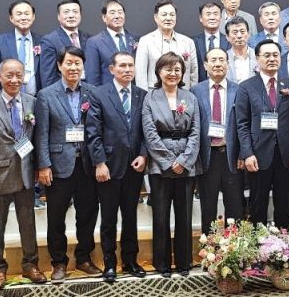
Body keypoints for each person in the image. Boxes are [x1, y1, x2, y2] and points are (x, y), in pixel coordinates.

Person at [0, 59, 47, 289]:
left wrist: (38, 167)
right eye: (9, 75)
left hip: (25, 173)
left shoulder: (32, 102)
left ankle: (31, 265)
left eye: (18, 75)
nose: (14, 80)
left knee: (28, 224)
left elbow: (37, 137)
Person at [35, 46, 102, 281]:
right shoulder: (46, 95)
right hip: (58, 165)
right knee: (56, 217)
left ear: (83, 66)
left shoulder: (93, 93)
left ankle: (84, 258)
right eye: (69, 63)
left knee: (88, 214)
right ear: (59, 66)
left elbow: (98, 129)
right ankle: (58, 262)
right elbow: (41, 134)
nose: (73, 67)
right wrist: (43, 165)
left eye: (77, 63)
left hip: (87, 165)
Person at [85, 52, 150, 282]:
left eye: (131, 65)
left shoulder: (142, 95)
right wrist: (99, 163)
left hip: (134, 166)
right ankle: (110, 263)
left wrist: (144, 155)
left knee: (130, 217)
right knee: (109, 218)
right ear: (112, 69)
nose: (127, 69)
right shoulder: (99, 94)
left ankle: (130, 260)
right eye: (122, 65)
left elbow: (147, 130)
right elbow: (93, 132)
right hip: (109, 167)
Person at [141, 52, 202, 278]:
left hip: (186, 165)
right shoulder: (150, 98)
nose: (173, 73)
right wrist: (168, 161)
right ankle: (163, 263)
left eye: (177, 69)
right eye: (168, 69)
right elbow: (150, 134)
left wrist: (184, 160)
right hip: (160, 167)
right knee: (161, 216)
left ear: (182, 73)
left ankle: (184, 262)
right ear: (159, 71)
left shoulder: (190, 97)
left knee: (184, 216)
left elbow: (195, 132)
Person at [235, 40, 289, 228]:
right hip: (258, 154)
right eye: (267, 55)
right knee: (258, 204)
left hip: (285, 154)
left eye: (275, 55)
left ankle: (284, 243)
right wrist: (247, 153)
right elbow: (242, 123)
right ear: (257, 59)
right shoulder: (246, 86)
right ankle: (258, 243)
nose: (272, 59)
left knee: (284, 204)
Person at [192, 47, 244, 235]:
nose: (218, 64)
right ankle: (209, 246)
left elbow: (243, 124)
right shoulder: (195, 91)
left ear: (227, 64)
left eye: (222, 60)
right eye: (213, 60)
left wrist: (243, 153)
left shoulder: (239, 90)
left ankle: (235, 246)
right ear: (205, 65)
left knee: (235, 206)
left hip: (232, 156)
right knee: (208, 206)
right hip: (207, 156)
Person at [135, 0, 199, 90]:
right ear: (156, 17)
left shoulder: (188, 42)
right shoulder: (145, 41)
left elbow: (193, 73)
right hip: (154, 93)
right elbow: (140, 74)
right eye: (164, 14)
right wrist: (145, 97)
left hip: (182, 94)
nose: (168, 18)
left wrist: (191, 95)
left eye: (172, 15)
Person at [0, 0, 41, 95]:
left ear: (33, 16)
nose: (23, 18)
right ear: (11, 18)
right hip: (7, 96)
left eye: (27, 14)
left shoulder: (42, 41)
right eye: (19, 14)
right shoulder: (0, 41)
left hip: (36, 97)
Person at [84, 0, 138, 87]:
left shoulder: (136, 39)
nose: (117, 16)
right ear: (104, 17)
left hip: (133, 92)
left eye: (120, 12)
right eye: (112, 13)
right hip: (107, 93)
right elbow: (92, 78)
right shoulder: (94, 42)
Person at [40, 0, 91, 86]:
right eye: (66, 12)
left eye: (75, 11)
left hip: (88, 90)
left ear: (80, 15)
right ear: (58, 16)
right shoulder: (49, 41)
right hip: (64, 91)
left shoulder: (89, 39)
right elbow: (48, 78)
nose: (71, 15)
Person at [193, 2, 231, 82]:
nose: (212, 17)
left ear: (221, 17)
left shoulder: (230, 40)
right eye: (208, 14)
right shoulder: (192, 42)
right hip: (200, 86)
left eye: (215, 14)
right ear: (200, 18)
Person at [225, 16, 256, 83]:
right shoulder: (223, 59)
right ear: (227, 37)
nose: (239, 36)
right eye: (235, 32)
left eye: (242, 32)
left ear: (248, 34)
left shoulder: (258, 56)